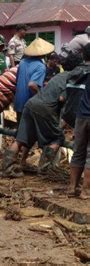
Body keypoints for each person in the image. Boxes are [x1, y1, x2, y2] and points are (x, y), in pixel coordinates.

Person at [1, 53, 81, 178]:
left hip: (31, 104)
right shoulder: (72, 79)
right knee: (57, 138)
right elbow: (61, 98)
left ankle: (7, 168)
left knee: (21, 139)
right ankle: (44, 170)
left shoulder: (58, 75)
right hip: (46, 108)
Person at [67, 43, 90, 199]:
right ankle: (85, 190)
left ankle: (72, 187)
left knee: (78, 151)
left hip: (80, 115)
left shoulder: (77, 71)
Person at [14, 38, 54, 124]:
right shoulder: (40, 66)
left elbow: (18, 80)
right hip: (30, 103)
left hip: (18, 101)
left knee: (20, 132)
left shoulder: (22, 62)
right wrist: (41, 96)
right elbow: (32, 84)